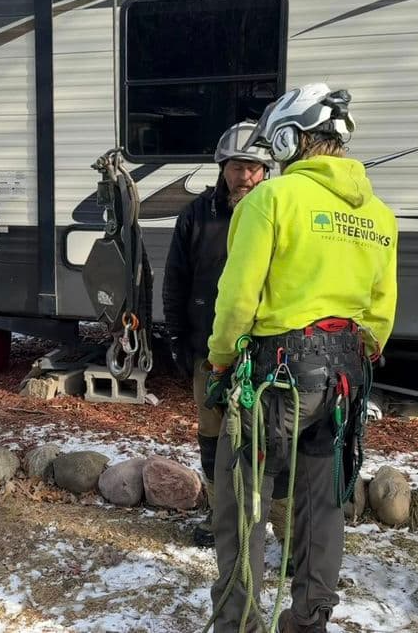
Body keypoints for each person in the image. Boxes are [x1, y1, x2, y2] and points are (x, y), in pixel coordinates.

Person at [206, 83, 398, 633]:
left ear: (291, 137)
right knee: (323, 507)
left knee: (243, 505)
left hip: (275, 380)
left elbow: (239, 297)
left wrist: (222, 359)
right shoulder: (380, 215)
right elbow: (380, 315)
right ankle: (309, 619)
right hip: (343, 381)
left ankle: (238, 622)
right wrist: (358, 358)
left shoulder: (271, 200)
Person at [163, 121, 276, 547]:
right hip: (208, 348)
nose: (243, 176)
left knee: (266, 436)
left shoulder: (277, 212)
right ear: (221, 168)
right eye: (235, 167)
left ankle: (270, 520)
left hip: (268, 351)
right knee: (212, 431)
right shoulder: (196, 215)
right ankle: (219, 514)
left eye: (252, 167)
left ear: (266, 170)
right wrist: (176, 337)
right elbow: (176, 279)